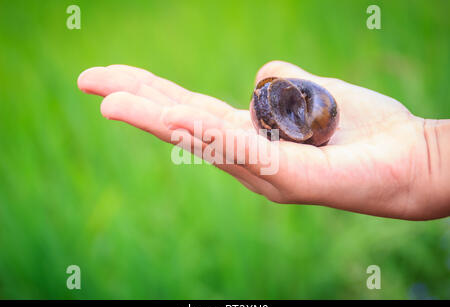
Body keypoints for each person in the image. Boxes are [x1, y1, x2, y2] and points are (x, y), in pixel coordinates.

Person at [77, 60, 450, 220]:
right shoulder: (284, 102)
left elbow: (311, 112)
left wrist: (427, 156)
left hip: (312, 121)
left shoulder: (312, 114)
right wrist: (426, 154)